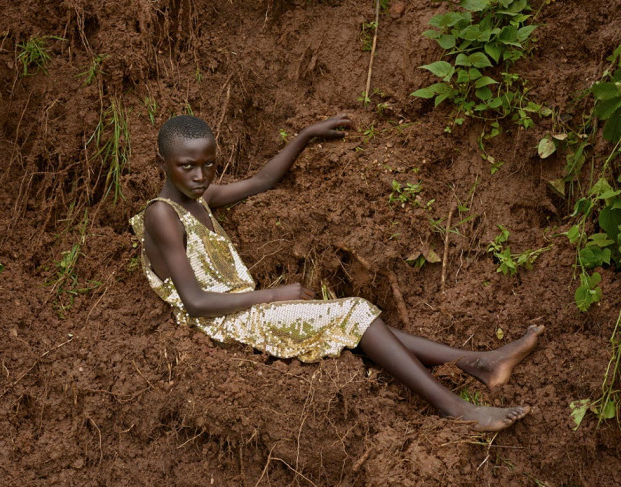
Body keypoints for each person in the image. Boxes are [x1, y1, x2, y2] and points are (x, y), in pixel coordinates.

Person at [131, 114, 544, 432]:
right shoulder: (163, 216)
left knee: (362, 325)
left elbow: (262, 179)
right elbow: (196, 302)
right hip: (224, 322)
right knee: (354, 312)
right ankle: (455, 407)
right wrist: (274, 296)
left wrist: (306, 135)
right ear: (163, 162)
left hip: (243, 311)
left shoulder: (199, 200)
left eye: (208, 165)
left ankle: (479, 362)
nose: (200, 176)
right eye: (188, 166)